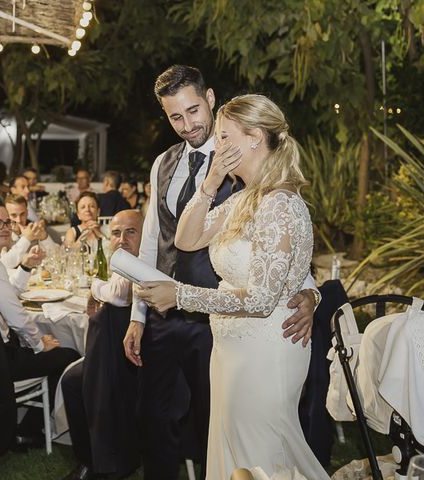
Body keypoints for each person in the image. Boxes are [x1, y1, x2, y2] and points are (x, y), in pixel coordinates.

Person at [122, 66, 319, 479]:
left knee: (262, 460)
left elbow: (270, 291)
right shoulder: (241, 196)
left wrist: (312, 294)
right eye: (175, 116)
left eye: (225, 137)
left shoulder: (279, 203)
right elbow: (184, 239)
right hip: (228, 344)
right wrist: (210, 183)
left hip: (264, 348)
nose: (216, 142)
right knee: (231, 455)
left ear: (254, 137)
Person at [0, 195, 81, 444]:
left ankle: (31, 425)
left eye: (6, 222)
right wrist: (38, 345)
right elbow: (17, 317)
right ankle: (36, 427)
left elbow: (6, 296)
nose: (5, 228)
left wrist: (24, 267)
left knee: (49, 346)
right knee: (71, 356)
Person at [62, 210, 144, 480]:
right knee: (72, 381)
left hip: (142, 354)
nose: (122, 239)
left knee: (90, 381)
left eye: (130, 232)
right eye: (116, 233)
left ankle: (111, 462)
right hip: (110, 354)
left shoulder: (145, 258)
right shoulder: (121, 261)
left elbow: (120, 296)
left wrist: (94, 287)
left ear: (145, 234)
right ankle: (89, 458)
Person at [5, 194, 57, 258]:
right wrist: (25, 238)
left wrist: (45, 238)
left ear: (27, 213)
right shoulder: (2, 233)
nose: (19, 220)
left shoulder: (34, 229)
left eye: (22, 214)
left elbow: (55, 256)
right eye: (13, 215)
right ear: (6, 216)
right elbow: (7, 262)